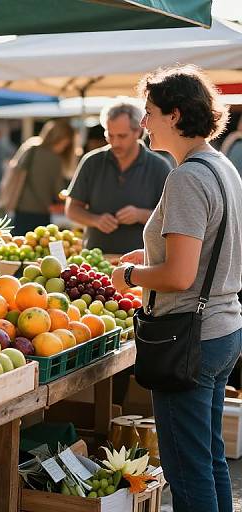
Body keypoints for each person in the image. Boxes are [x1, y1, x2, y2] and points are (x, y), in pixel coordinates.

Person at [111, 65, 242, 512]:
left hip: (189, 335)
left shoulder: (187, 177)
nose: (144, 123)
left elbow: (179, 277)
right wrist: (146, 259)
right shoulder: (221, 164)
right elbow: (203, 252)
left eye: (149, 113)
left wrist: (128, 277)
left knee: (187, 471)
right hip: (222, 328)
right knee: (208, 460)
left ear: (176, 115)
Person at [65, 100, 171, 255]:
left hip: (143, 261)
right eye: (110, 135)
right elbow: (72, 209)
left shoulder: (160, 166)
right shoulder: (91, 162)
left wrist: (140, 215)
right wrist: (95, 220)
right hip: (96, 259)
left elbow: (171, 217)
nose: (115, 143)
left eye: (122, 136)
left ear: (138, 131)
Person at [10, 120, 74, 236]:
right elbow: (58, 190)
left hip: (20, 208)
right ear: (62, 139)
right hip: (41, 212)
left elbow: (16, 171)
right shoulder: (55, 159)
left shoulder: (31, 148)